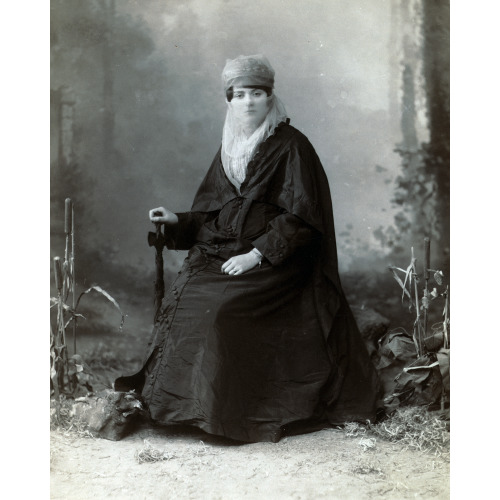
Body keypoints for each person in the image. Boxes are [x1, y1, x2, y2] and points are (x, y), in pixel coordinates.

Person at [115, 54, 380, 443]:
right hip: (226, 252)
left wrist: (256, 254)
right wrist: (177, 220)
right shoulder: (229, 146)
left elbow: (303, 218)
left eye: (258, 93)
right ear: (229, 101)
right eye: (240, 95)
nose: (249, 102)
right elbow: (217, 213)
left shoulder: (292, 146)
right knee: (188, 301)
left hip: (280, 261)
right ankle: (181, 409)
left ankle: (221, 414)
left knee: (223, 310)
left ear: (271, 98)